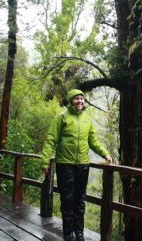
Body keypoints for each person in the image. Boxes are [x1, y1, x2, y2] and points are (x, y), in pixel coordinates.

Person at [41, 89, 113, 241]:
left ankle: (79, 233)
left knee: (80, 200)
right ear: (70, 100)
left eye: (82, 99)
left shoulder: (87, 119)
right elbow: (51, 140)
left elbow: (93, 141)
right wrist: (45, 160)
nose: (80, 101)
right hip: (65, 165)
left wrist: (105, 153)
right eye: (76, 99)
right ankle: (68, 233)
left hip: (82, 165)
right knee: (67, 199)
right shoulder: (61, 118)